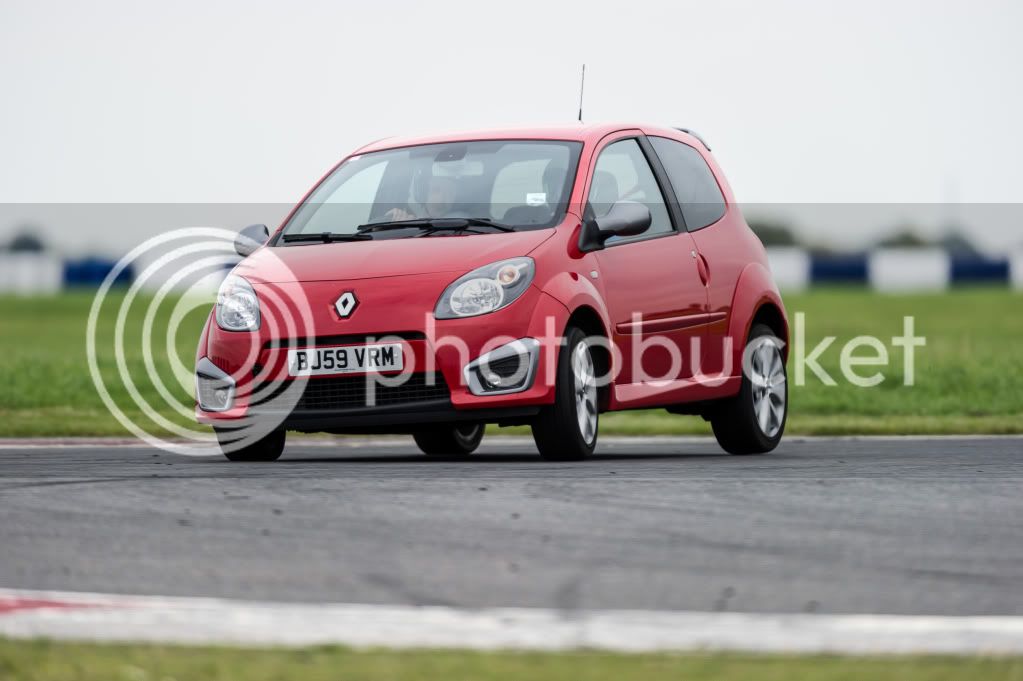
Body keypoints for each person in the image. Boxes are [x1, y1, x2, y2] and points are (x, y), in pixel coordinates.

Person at [384, 173, 457, 222]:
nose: (442, 199)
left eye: (450, 193)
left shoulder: (461, 229)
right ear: (423, 195)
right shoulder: (405, 220)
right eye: (436, 190)